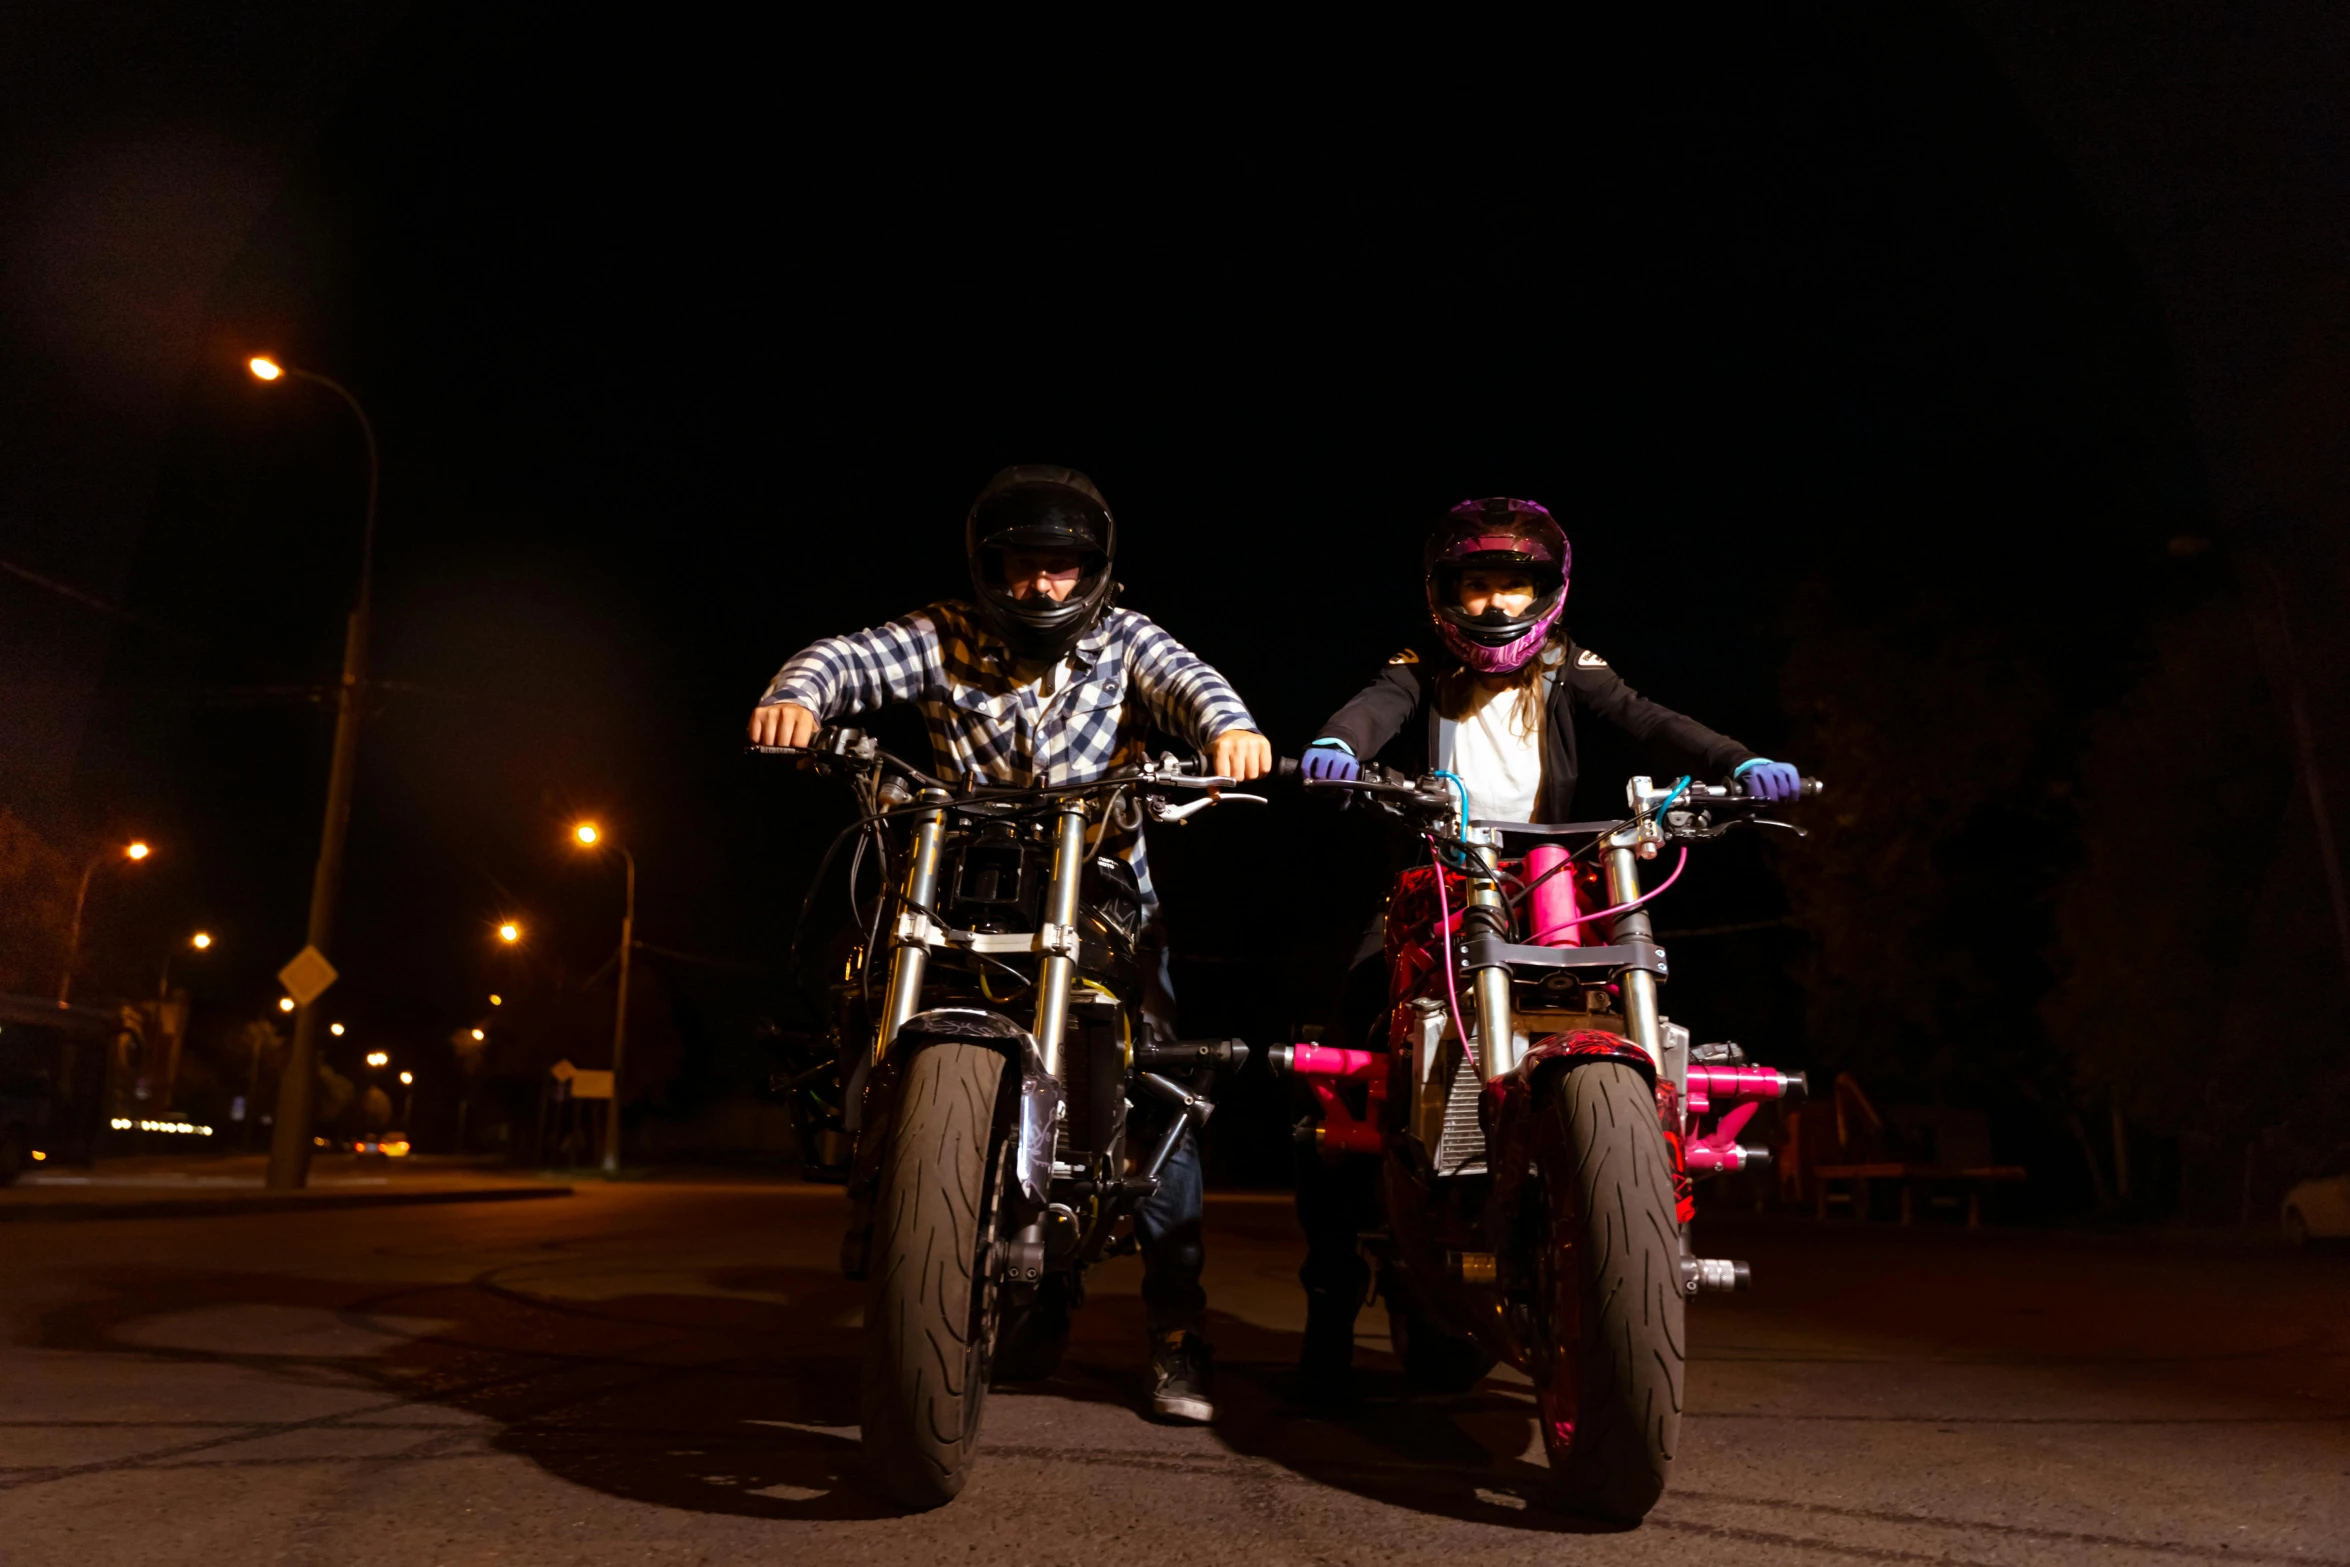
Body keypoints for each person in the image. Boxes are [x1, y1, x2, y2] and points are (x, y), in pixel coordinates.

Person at [749, 464, 1271, 1424]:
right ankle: (884, 1172)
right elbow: (846, 659)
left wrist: (1228, 730)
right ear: (993, 568)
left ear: (1092, 572)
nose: (1041, 585)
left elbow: (1195, 686)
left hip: (1105, 895)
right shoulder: (944, 632)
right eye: (1024, 565)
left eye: (1061, 568)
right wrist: (798, 696)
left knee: (1154, 1090)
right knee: (849, 985)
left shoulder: (1126, 639)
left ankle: (1175, 1330)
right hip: (957, 886)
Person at [1290, 496, 1801, 1400]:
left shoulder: (1569, 667)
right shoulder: (1422, 665)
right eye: (1476, 586)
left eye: (1511, 585)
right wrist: (1338, 743)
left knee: (1621, 976)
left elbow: (1649, 717)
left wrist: (1735, 760)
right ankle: (1328, 1309)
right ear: (1445, 594)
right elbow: (1375, 706)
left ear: (1548, 593)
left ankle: (1627, 1179)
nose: (1493, 606)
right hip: (1441, 877)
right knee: (1346, 1060)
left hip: (1549, 880)